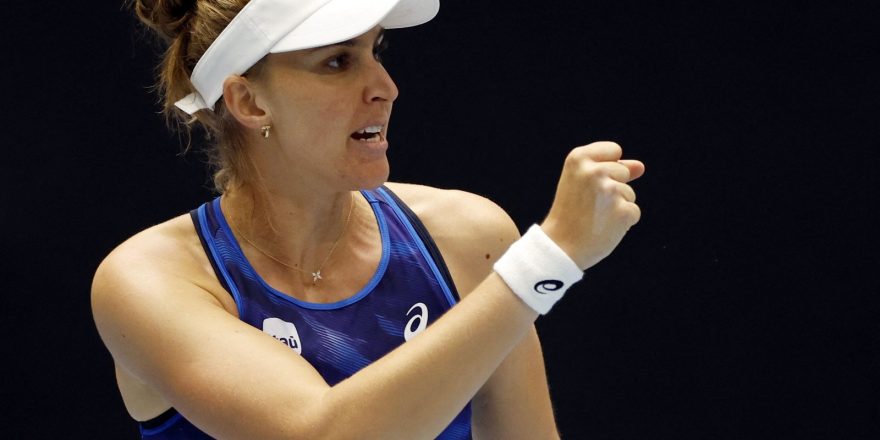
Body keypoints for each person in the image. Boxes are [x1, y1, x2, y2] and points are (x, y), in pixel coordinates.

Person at [91, 0, 645, 438]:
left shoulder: (467, 235)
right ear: (250, 102)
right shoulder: (149, 282)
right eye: (338, 61)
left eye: (376, 50)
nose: (386, 87)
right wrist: (544, 262)